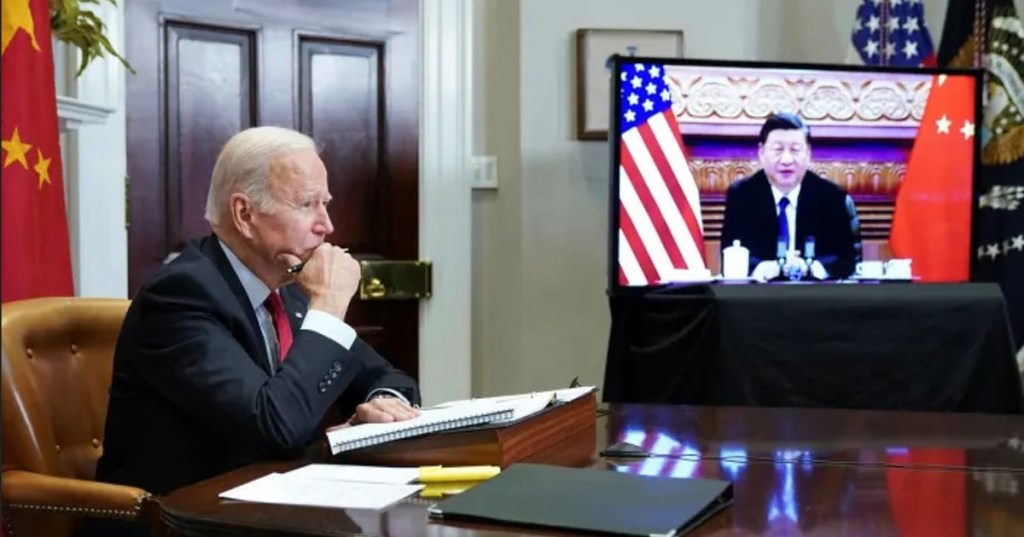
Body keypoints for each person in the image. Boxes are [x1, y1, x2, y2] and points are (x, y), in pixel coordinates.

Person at [88, 126, 420, 536]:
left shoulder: (290, 289)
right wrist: (330, 304)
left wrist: (383, 404)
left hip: (276, 511)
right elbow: (275, 428)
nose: (327, 225)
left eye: (326, 203)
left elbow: (392, 379)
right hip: (185, 522)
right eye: (307, 204)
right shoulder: (180, 297)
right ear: (244, 214)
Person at [720, 113, 860, 281]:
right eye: (778, 149)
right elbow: (731, 255)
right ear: (761, 152)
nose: (786, 160)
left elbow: (846, 260)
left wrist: (811, 267)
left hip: (816, 293)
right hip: (761, 293)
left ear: (808, 153)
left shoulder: (830, 196)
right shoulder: (743, 195)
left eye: (795, 150)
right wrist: (764, 268)